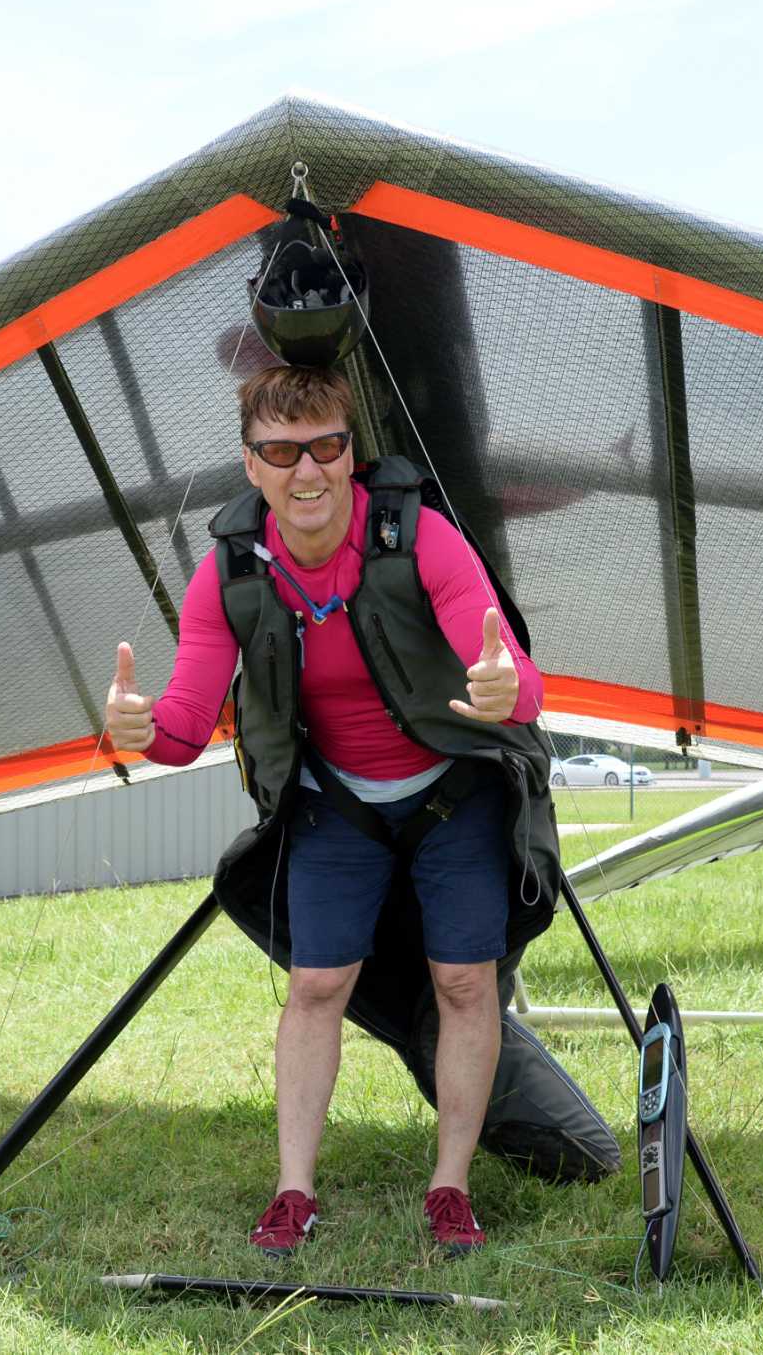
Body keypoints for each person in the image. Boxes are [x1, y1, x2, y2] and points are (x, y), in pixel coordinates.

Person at [104, 364, 555, 1258]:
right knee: (315, 986)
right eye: (281, 451)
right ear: (251, 464)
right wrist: (137, 728)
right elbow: (187, 728)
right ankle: (293, 1192)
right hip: (336, 804)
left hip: (449, 793)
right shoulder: (230, 573)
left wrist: (508, 689)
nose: (305, 471)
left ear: (351, 453)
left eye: (325, 447)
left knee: (466, 984)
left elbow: (518, 680)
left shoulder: (418, 538)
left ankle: (450, 1186)